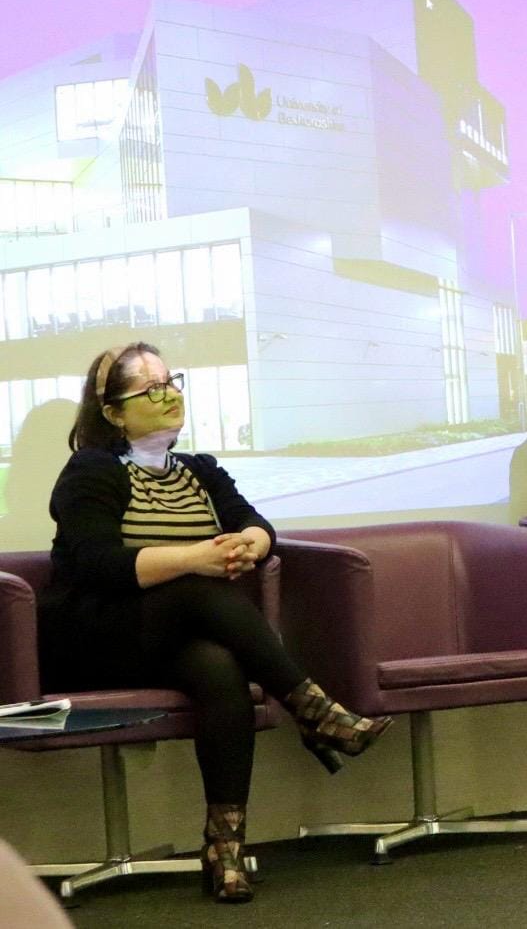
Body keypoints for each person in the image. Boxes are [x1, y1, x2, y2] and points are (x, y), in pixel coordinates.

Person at [39, 342, 392, 902]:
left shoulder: (200, 470)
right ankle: (313, 710)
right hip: (95, 632)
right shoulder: (92, 470)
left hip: (177, 638)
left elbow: (253, 521)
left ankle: (224, 851)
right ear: (113, 413)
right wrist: (195, 558)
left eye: (172, 381)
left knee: (218, 664)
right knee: (199, 591)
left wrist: (251, 542)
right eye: (150, 388)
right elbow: (94, 564)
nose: (169, 394)